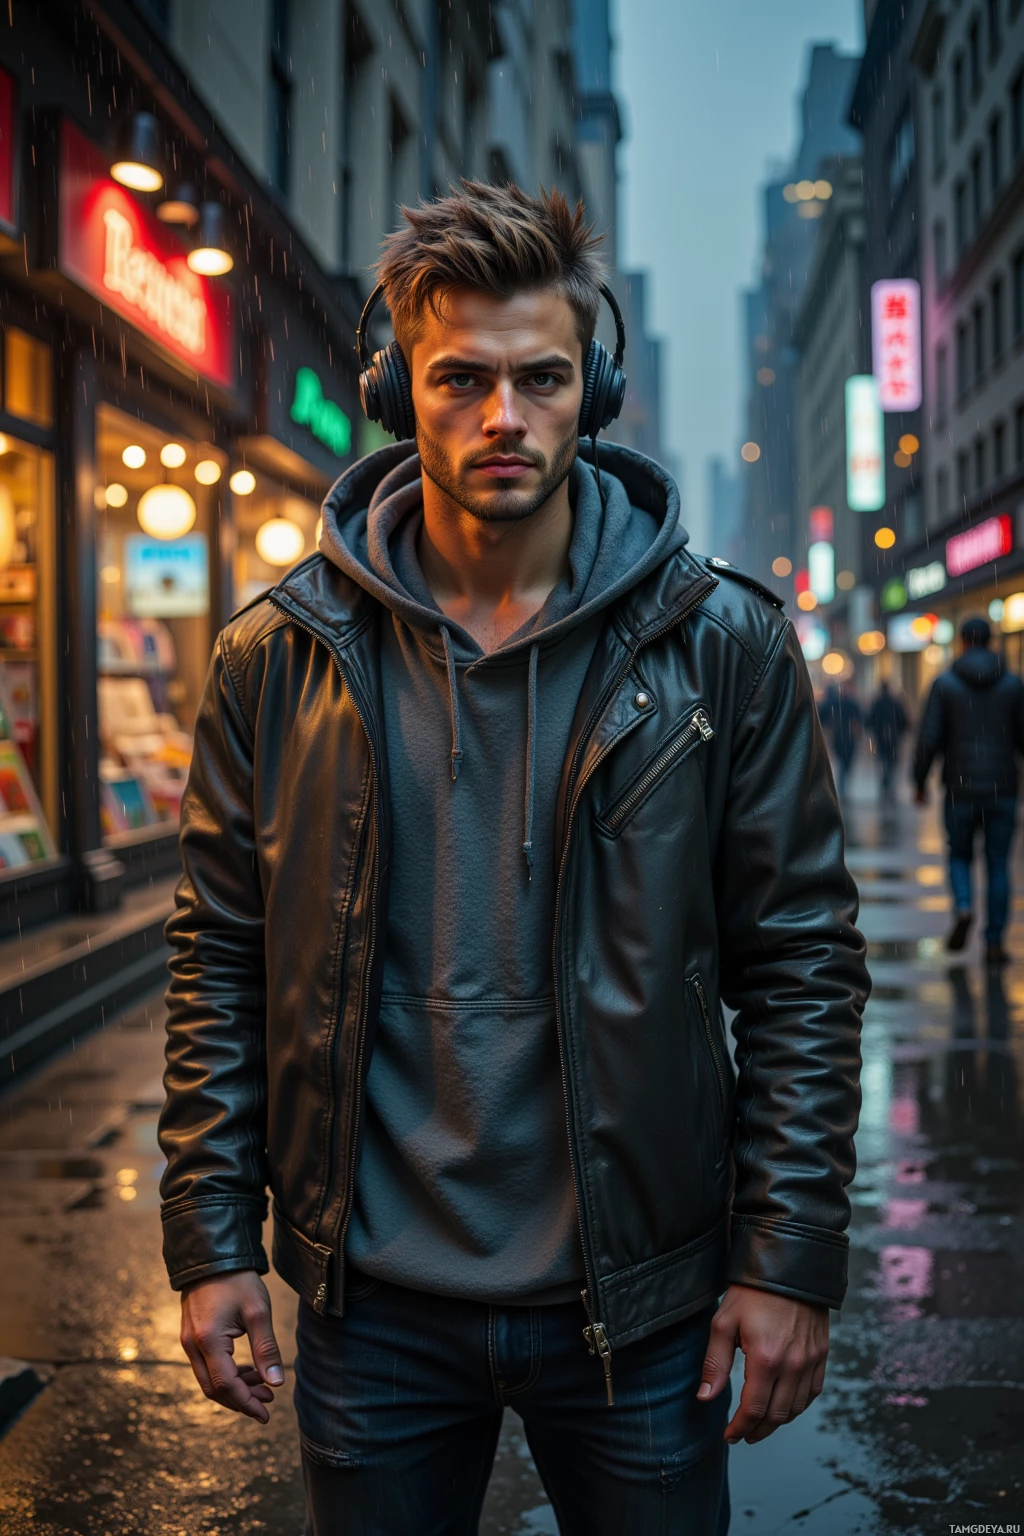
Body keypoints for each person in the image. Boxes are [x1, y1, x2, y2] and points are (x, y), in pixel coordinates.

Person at [158, 181, 868, 1536]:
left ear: (592, 391)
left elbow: (802, 966)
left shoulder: (720, 643)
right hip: (372, 1307)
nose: (503, 418)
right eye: (460, 379)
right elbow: (220, 958)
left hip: (645, 1307)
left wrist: (790, 1264)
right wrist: (210, 1238)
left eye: (542, 379)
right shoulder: (276, 656)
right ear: (396, 388)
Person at [914, 615, 1024, 964]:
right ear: (991, 640)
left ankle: (963, 906)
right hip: (1003, 787)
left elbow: (929, 737)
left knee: (959, 854)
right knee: (998, 864)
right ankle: (994, 942)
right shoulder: (1013, 685)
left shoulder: (945, 684)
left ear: (962, 641)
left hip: (959, 787)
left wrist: (918, 781)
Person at [819, 679, 863, 796]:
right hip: (843, 737)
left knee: (845, 763)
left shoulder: (838, 704)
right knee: (845, 763)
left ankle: (842, 785)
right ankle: (843, 786)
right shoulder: (846, 704)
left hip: (842, 737)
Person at [866, 680, 909, 800]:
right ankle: (887, 783)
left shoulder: (877, 703)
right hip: (893, 738)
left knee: (884, 761)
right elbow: (904, 721)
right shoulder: (895, 704)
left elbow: (870, 720)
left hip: (881, 738)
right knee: (891, 762)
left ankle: (886, 783)